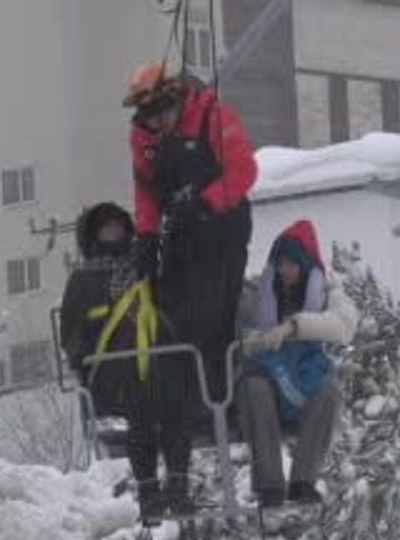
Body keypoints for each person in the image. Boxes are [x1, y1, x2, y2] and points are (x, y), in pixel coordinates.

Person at [123, 62, 258, 511]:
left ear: (176, 99)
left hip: (223, 228)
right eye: (148, 117)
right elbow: (146, 191)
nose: (155, 124)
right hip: (179, 236)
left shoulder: (212, 116)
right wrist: (145, 237)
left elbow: (243, 171)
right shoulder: (145, 138)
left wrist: (205, 202)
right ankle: (181, 407)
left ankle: (220, 392)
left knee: (215, 315)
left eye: (161, 113)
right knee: (172, 321)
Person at [239, 219, 357, 507]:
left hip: (305, 375)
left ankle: (303, 481)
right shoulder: (259, 291)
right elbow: (241, 327)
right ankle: (269, 486)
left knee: (328, 392)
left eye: (292, 264)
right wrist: (257, 339)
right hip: (268, 378)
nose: (285, 271)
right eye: (281, 264)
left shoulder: (329, 291)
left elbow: (344, 325)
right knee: (254, 388)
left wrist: (293, 327)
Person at [58, 202, 164, 519]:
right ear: (94, 235)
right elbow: (72, 332)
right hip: (111, 371)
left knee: (162, 390)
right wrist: (83, 360)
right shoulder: (83, 282)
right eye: (107, 229)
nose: (115, 234)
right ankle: (149, 488)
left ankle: (175, 485)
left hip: (155, 360)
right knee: (140, 396)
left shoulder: (144, 269)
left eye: (119, 227)